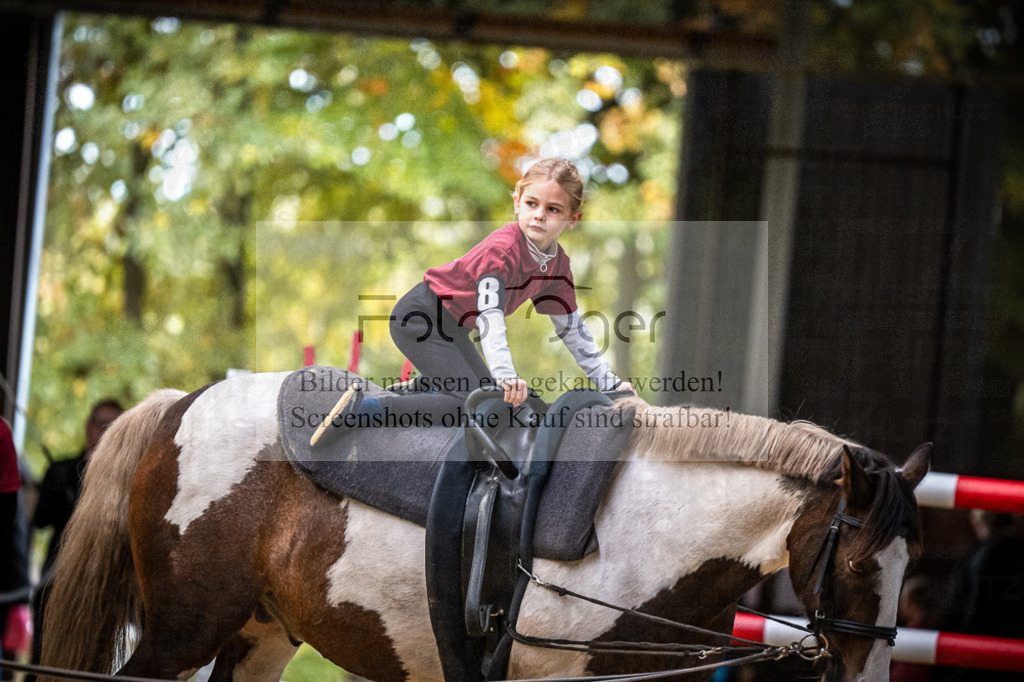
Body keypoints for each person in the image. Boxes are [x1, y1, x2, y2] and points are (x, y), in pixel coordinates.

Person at [333, 157, 632, 430]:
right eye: (531, 204)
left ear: (572, 220)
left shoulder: (557, 265)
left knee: (498, 403)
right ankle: (369, 409)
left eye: (553, 209)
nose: (539, 215)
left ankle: (430, 386)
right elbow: (491, 318)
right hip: (420, 319)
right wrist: (505, 375)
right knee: (478, 407)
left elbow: (572, 330)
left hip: (454, 331)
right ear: (517, 202)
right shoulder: (501, 251)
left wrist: (610, 384)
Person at [29, 399, 123, 674]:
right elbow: (39, 520)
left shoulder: (126, 484)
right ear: (87, 427)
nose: (103, 432)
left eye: (112, 426)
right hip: (55, 586)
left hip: (102, 595)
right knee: (44, 666)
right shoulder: (62, 471)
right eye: (99, 424)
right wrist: (58, 490)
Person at [934, 509, 1024, 681]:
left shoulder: (985, 556)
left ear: (979, 522)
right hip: (1012, 652)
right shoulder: (1013, 553)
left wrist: (955, 663)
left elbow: (973, 610)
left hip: (979, 653)